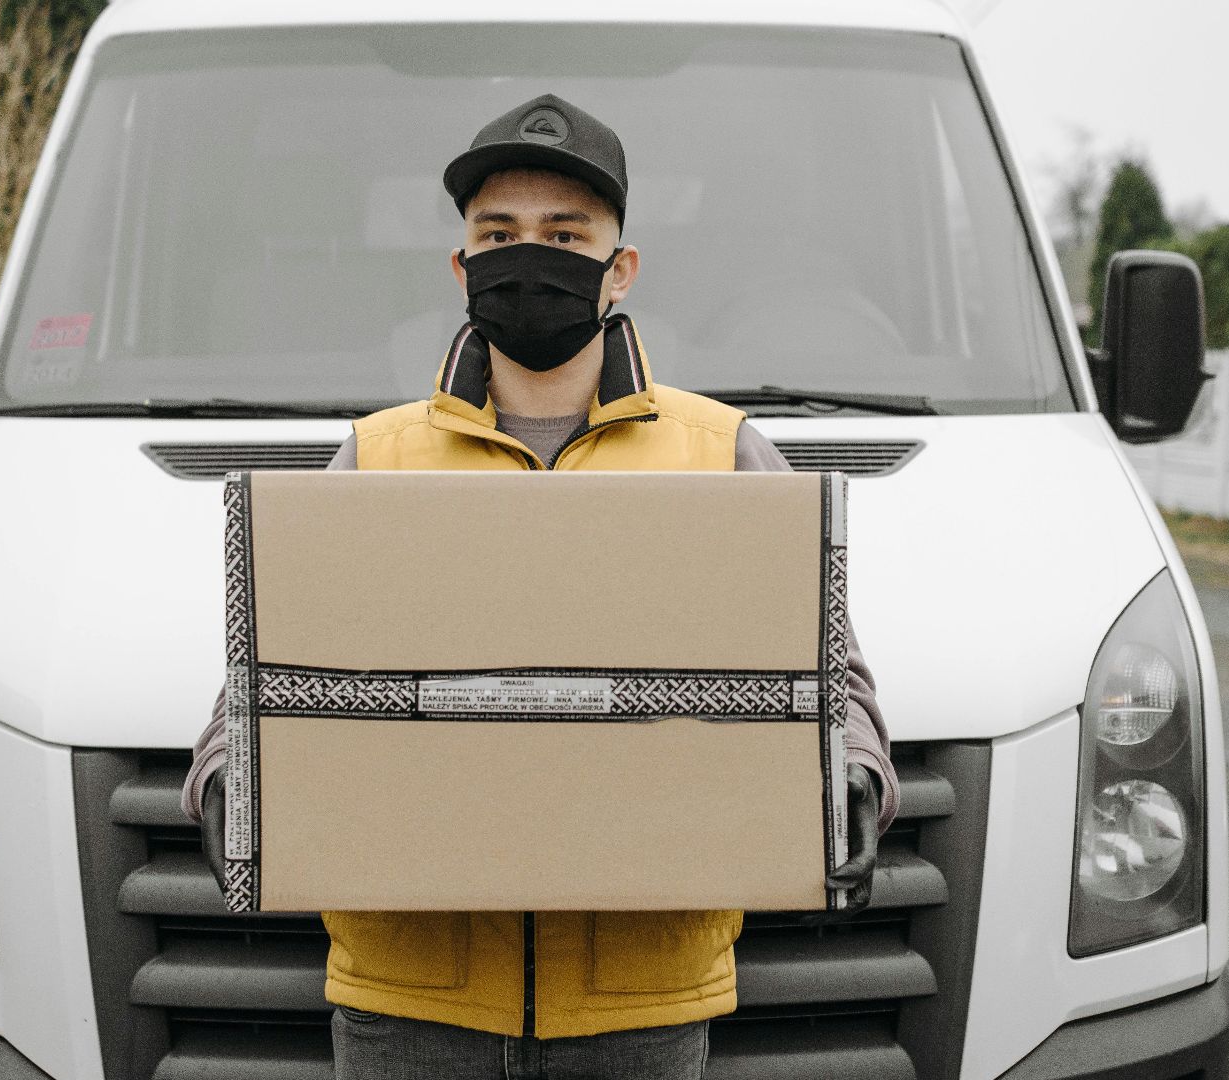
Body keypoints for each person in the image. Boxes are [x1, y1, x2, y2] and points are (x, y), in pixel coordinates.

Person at [182, 93, 899, 1080]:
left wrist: (855, 776)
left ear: (621, 265)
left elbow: (834, 681)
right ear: (461, 265)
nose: (529, 256)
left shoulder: (726, 454)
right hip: (410, 1005)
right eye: (498, 233)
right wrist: (225, 780)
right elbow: (262, 683)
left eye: (565, 234)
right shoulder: (370, 458)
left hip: (639, 1009)